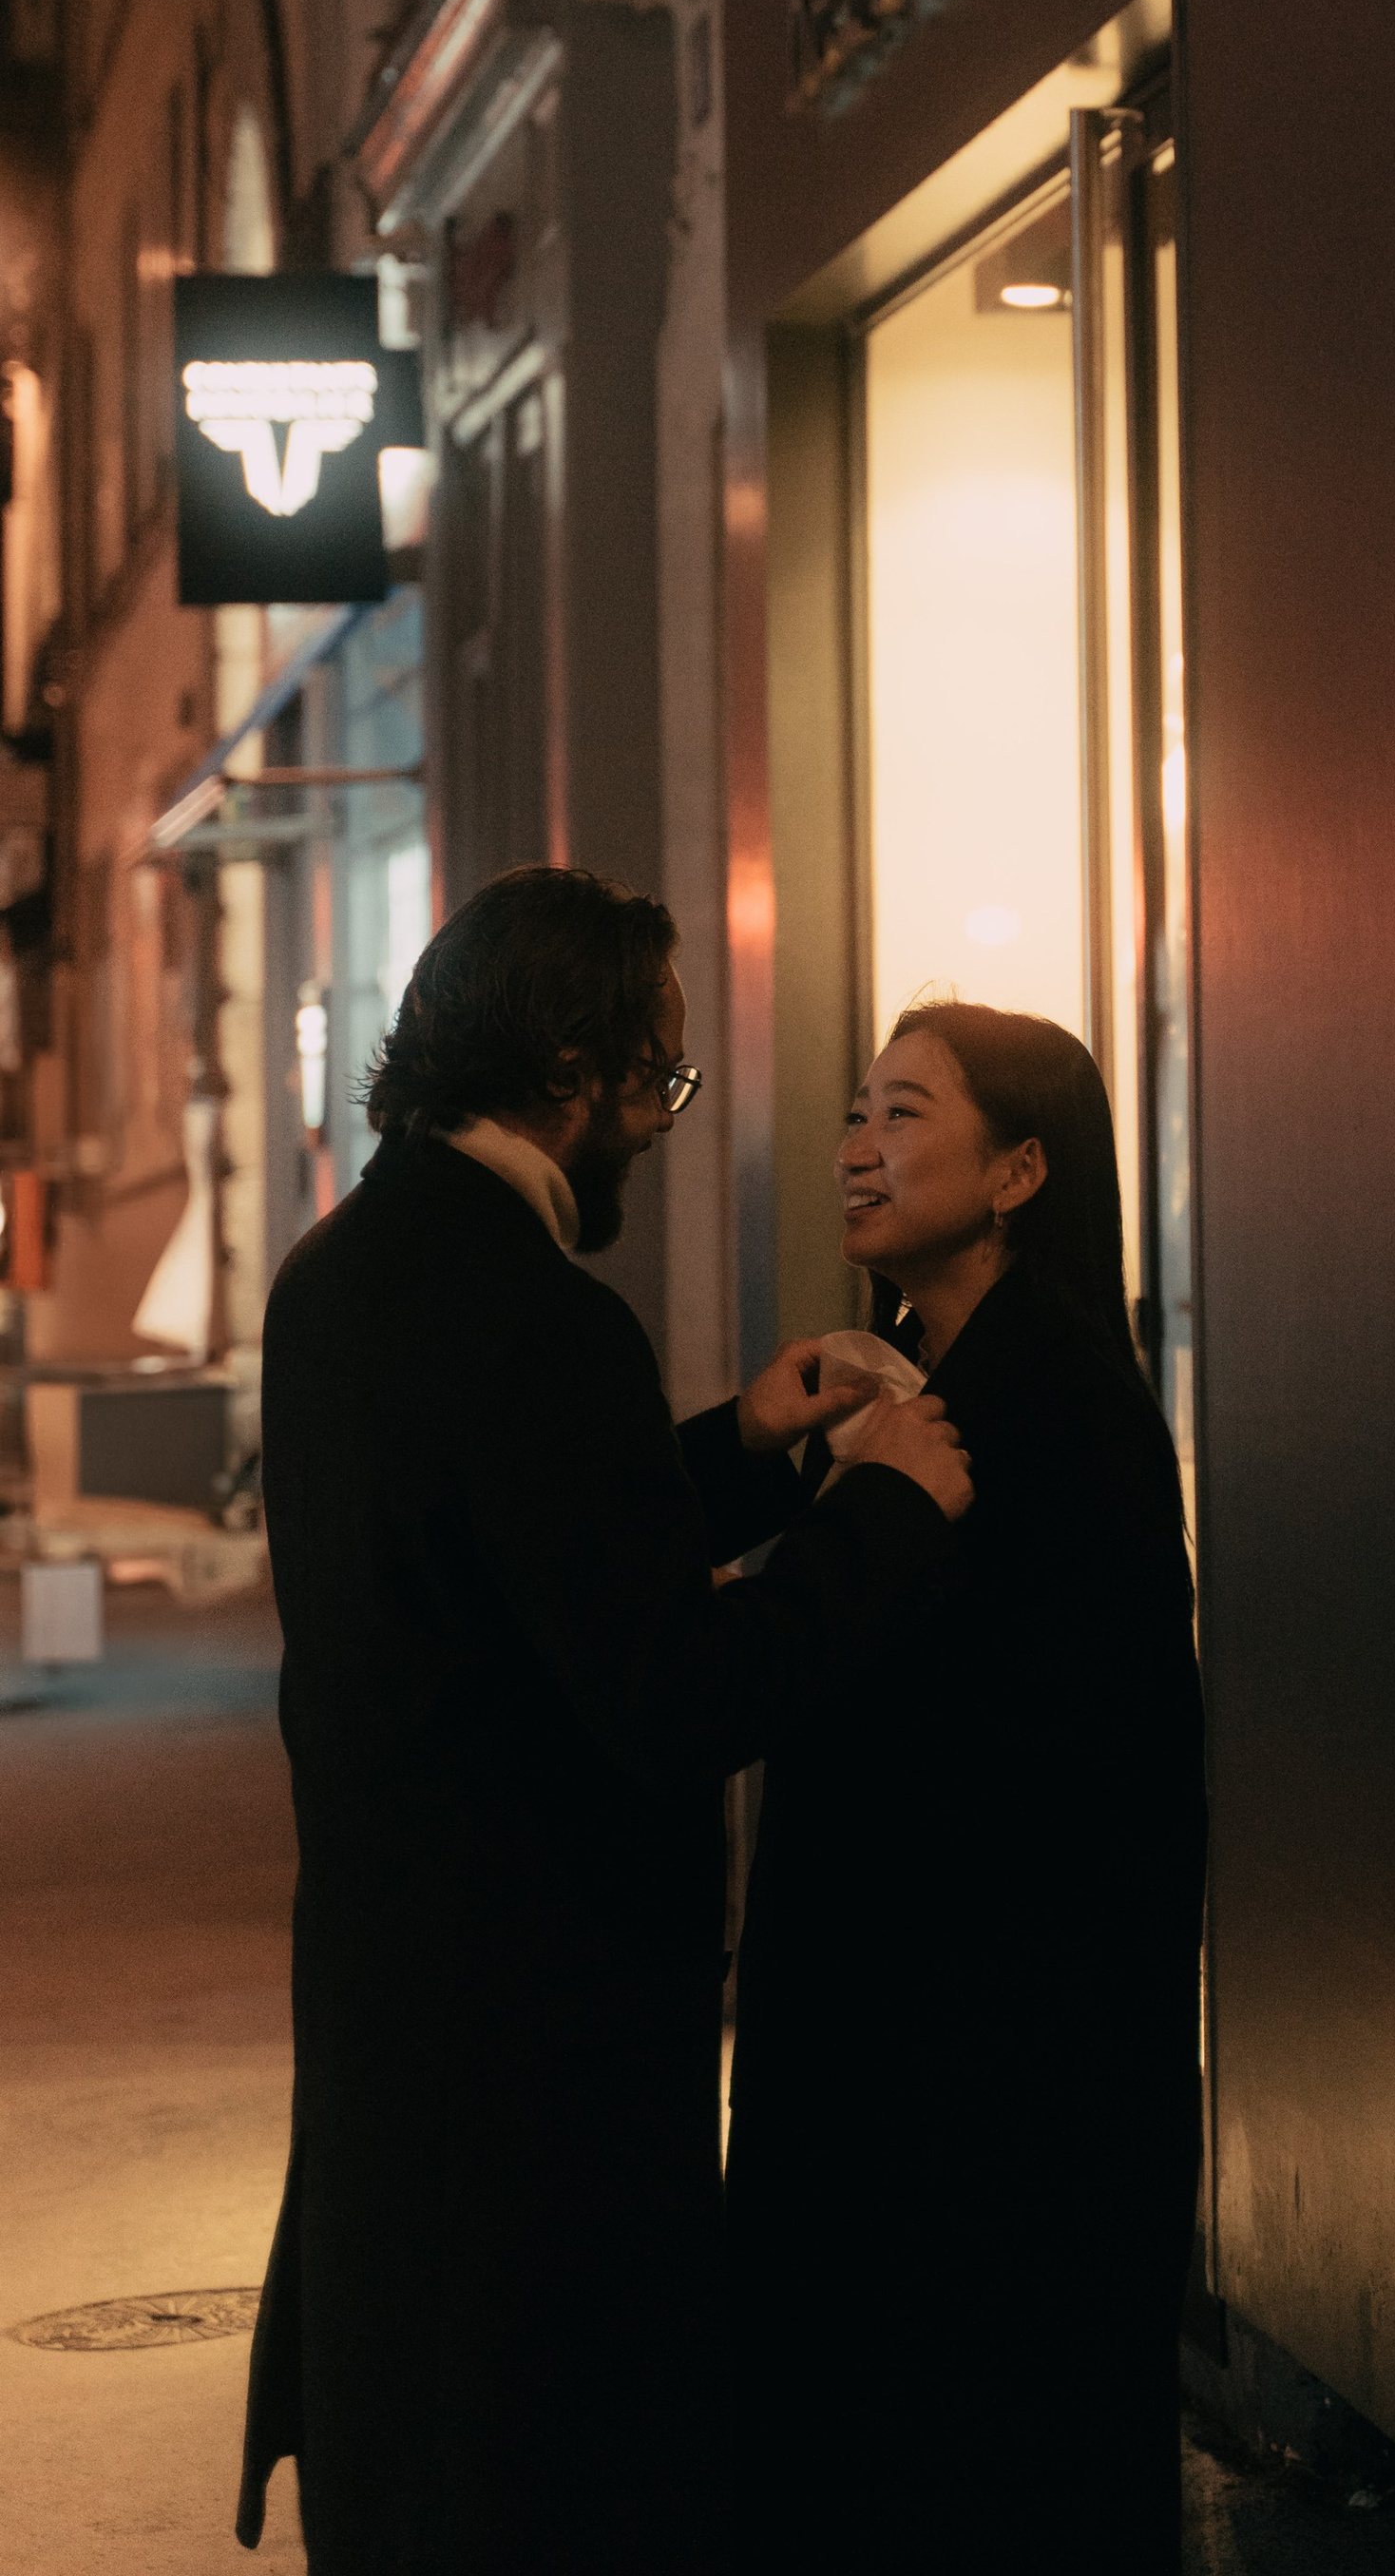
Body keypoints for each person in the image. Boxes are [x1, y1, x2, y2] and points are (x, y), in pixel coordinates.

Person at [237, 867, 971, 2576]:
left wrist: (745, 1442)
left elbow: (508, 1564)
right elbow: (667, 1693)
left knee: (414, 2456)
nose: (658, 1123)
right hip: (539, 2045)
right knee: (546, 2482)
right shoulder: (540, 1323)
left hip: (397, 1989)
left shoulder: (342, 1272)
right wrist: (881, 1510)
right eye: (658, 1079)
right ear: (571, 1070)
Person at [726, 1003, 1208, 2575]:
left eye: (905, 1115)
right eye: (856, 1112)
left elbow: (1074, 1747)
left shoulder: (1052, 1394)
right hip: (918, 2021)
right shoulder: (920, 1371)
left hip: (994, 2045)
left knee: (991, 2453)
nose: (858, 1147)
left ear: (1018, 1173)